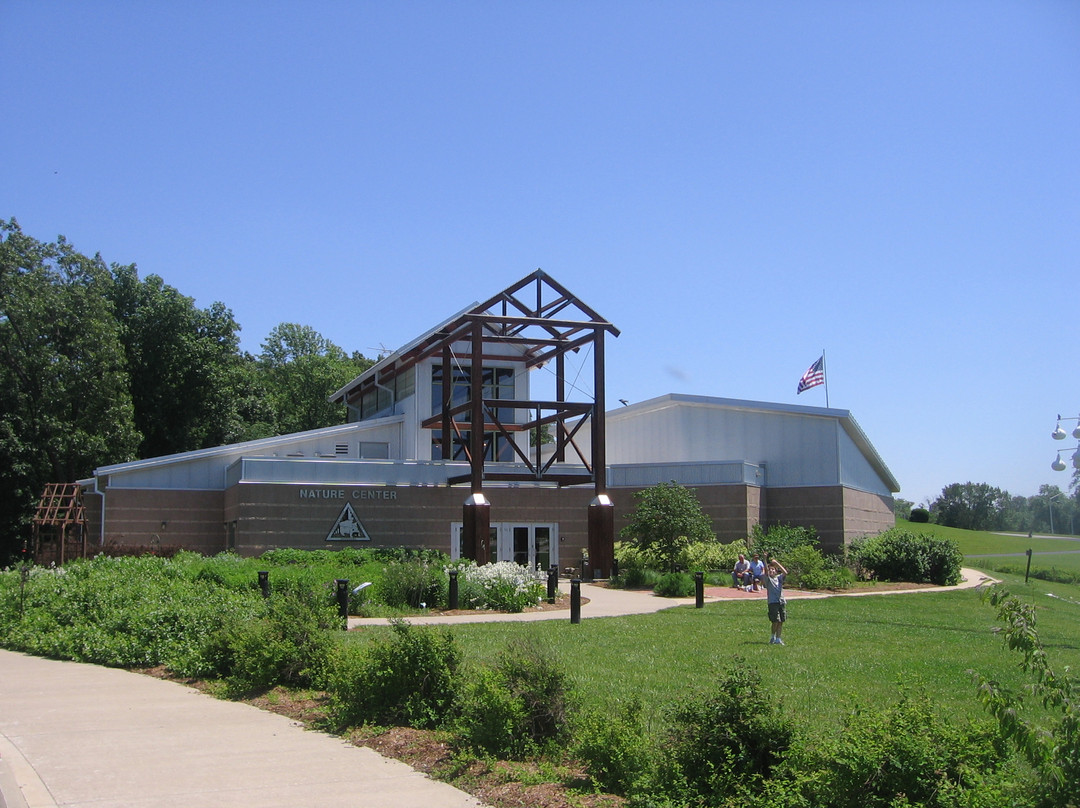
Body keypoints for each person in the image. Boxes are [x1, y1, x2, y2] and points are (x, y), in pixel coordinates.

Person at [761, 556, 788, 645]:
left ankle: (778, 639)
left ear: (776, 571)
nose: (771, 571)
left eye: (773, 570)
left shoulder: (779, 579)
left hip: (781, 601)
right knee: (775, 621)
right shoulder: (768, 580)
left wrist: (776, 564)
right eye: (770, 570)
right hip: (773, 603)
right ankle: (772, 637)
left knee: (781, 621)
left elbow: (785, 572)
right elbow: (765, 569)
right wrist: (765, 559)